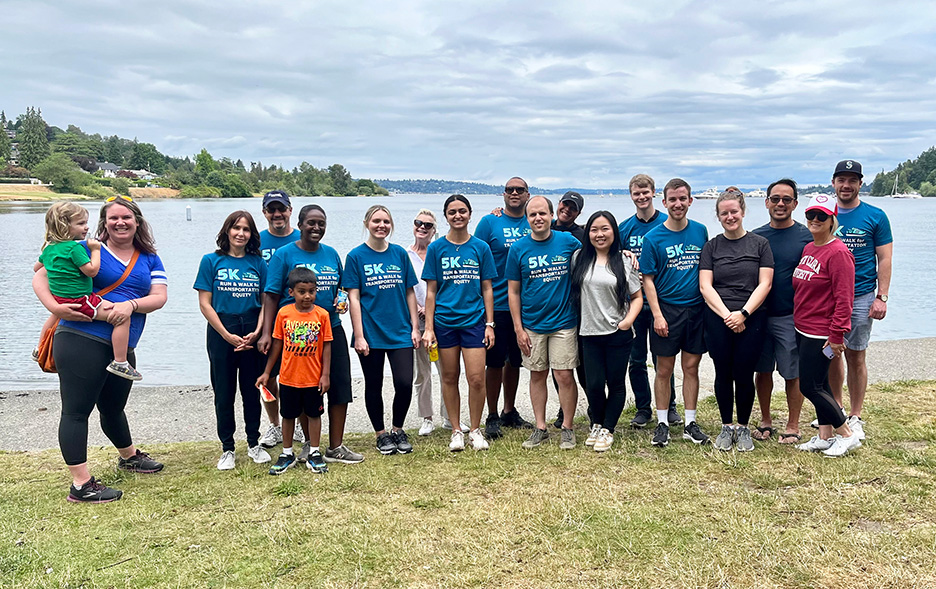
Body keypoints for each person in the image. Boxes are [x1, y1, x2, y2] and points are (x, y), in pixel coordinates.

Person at [32, 196, 166, 503]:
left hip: (122, 343)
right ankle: (81, 484)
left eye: (127, 217)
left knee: (113, 407)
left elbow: (159, 296)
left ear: (138, 221)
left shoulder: (149, 258)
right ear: (103, 222)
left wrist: (129, 305)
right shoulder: (83, 246)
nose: (120, 222)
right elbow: (40, 274)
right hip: (81, 337)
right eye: (113, 217)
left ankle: (129, 457)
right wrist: (56, 307)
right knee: (77, 412)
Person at [262, 204, 363, 465]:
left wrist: (341, 303)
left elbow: (341, 288)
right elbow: (272, 295)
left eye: (321, 223)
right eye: (311, 223)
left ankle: (336, 446)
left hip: (332, 329)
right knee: (305, 386)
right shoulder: (284, 254)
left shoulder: (331, 254)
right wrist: (266, 332)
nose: (316, 228)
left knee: (339, 387)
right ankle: (310, 444)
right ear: (300, 224)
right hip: (297, 334)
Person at [194, 210, 272, 470]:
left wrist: (259, 331)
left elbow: (265, 302)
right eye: (236, 228)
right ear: (227, 230)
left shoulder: (258, 263)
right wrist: (225, 334)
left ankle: (254, 443)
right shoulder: (210, 261)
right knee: (224, 392)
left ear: (252, 234)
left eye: (246, 229)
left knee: (252, 390)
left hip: (251, 329)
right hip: (221, 330)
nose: (241, 233)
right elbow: (205, 304)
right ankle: (227, 447)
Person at [700, 190, 774, 452]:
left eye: (734, 211)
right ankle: (726, 425)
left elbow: (765, 283)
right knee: (723, 372)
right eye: (724, 213)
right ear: (718, 216)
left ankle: (743, 426)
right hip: (718, 317)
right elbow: (706, 286)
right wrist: (727, 316)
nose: (730, 216)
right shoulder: (712, 246)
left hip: (752, 317)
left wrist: (743, 313)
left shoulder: (760, 245)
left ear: (742, 212)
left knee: (744, 373)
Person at [422, 195, 498, 451]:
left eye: (462, 211)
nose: (457, 216)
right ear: (445, 216)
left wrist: (490, 324)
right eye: (452, 212)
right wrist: (429, 328)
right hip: (444, 322)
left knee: (477, 378)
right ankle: (456, 429)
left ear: (469, 214)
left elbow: (487, 288)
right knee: (449, 377)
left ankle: (475, 430)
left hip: (474, 321)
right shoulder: (436, 249)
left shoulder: (480, 247)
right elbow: (431, 291)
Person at [34, 201, 141, 381]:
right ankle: (120, 362)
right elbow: (92, 270)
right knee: (121, 317)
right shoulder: (75, 248)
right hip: (81, 300)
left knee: (54, 317)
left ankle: (39, 349)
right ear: (65, 226)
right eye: (81, 223)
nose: (86, 227)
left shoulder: (49, 249)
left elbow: (38, 268)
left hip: (60, 300)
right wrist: (95, 250)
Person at [506, 196, 582, 450]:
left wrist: (624, 251)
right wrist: (518, 328)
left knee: (564, 375)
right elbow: (513, 292)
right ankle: (540, 427)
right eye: (532, 215)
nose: (538, 218)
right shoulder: (518, 249)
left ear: (552, 215)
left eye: (542, 213)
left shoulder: (568, 242)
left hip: (564, 322)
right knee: (537, 374)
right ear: (527, 219)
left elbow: (596, 252)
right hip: (532, 325)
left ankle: (567, 427)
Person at [640, 178, 710, 447]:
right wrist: (657, 315)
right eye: (673, 199)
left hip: (695, 309)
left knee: (691, 367)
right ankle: (662, 423)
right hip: (666, 309)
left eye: (683, 198)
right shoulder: (653, 238)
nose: (678, 204)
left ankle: (690, 422)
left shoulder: (700, 231)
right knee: (663, 369)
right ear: (664, 202)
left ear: (690, 201)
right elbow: (648, 279)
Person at [345, 205, 420, 455]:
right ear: (367, 223)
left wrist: (414, 328)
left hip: (400, 331)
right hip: (371, 332)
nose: (381, 225)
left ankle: (398, 429)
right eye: (376, 221)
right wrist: (358, 335)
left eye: (386, 221)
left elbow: (410, 292)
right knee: (373, 384)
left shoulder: (399, 254)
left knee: (404, 382)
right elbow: (354, 298)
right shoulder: (356, 256)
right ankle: (381, 434)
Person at [827, 160, 893, 441]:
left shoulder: (875, 216)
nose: (846, 185)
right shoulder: (824, 214)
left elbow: (885, 258)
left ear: (860, 184)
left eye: (852, 180)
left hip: (862, 294)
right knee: (831, 353)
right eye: (841, 180)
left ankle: (856, 414)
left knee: (856, 354)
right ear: (833, 183)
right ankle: (836, 410)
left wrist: (882, 296)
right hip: (827, 297)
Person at [792, 195, 861, 457]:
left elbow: (845, 299)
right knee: (820, 383)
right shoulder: (810, 248)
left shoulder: (839, 253)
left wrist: (836, 335)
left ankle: (846, 433)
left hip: (821, 331)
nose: (815, 221)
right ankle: (824, 435)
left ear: (833, 220)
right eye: (811, 215)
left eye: (822, 216)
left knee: (810, 386)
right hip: (803, 326)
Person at [571, 211, 642, 452]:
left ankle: (608, 429)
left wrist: (627, 322)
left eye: (605, 229)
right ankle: (597, 422)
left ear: (614, 231)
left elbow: (637, 297)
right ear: (587, 232)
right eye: (594, 229)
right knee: (593, 384)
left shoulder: (624, 261)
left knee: (615, 383)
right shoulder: (579, 258)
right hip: (589, 332)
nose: (599, 234)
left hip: (617, 333)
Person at [473, 177, 534, 439]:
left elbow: (561, 232)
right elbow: (473, 254)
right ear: (503, 194)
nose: (515, 193)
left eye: (520, 190)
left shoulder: (533, 219)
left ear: (528, 194)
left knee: (516, 361)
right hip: (496, 304)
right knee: (495, 362)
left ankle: (510, 411)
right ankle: (493, 414)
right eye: (510, 190)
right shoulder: (490, 222)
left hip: (525, 304)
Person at [752, 179, 813, 444]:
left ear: (795, 204)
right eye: (775, 199)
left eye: (786, 200)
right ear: (766, 202)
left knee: (792, 372)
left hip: (791, 315)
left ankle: (793, 424)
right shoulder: (754, 237)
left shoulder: (807, 236)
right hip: (759, 315)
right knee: (762, 370)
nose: (780, 204)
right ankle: (765, 420)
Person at [617, 174, 680, 428]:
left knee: (663, 359)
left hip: (661, 302)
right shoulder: (624, 229)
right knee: (636, 359)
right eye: (636, 193)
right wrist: (621, 251)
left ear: (654, 194)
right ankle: (643, 408)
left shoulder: (668, 223)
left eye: (646, 192)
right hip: (634, 303)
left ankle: (671, 406)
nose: (641, 197)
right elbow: (611, 258)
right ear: (631, 196)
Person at [258, 268, 331, 474]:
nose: (307, 296)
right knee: (288, 415)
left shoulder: (322, 315)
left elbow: (326, 346)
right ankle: (287, 453)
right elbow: (277, 344)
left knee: (314, 415)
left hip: (313, 378)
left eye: (311, 291)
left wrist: (325, 375)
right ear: (291, 292)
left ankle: (314, 452)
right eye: (302, 291)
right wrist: (267, 372)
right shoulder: (284, 313)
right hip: (289, 378)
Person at [257, 190, 302, 449]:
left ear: (290, 210)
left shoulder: (301, 239)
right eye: (271, 210)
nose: (277, 214)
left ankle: (296, 423)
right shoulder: (256, 242)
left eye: (281, 209)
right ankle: (274, 425)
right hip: (265, 317)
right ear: (264, 213)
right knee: (270, 374)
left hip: (298, 319)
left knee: (299, 374)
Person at [407, 209, 457, 436]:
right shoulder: (405, 255)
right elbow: (405, 288)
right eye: (419, 223)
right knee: (422, 372)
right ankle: (427, 417)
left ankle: (449, 416)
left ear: (434, 230)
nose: (423, 228)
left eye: (428, 225)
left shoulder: (441, 252)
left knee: (449, 370)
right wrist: (418, 310)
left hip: (442, 319)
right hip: (417, 320)